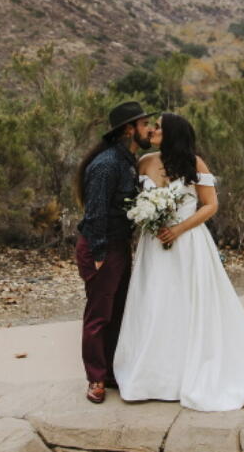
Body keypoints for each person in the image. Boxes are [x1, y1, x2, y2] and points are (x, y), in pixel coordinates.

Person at [112, 112, 244, 411]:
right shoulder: (145, 162)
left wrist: (177, 228)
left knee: (190, 304)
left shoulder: (194, 163)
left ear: (173, 133)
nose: (152, 131)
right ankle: (152, 377)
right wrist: (148, 217)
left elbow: (210, 205)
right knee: (155, 302)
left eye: (159, 127)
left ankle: (191, 373)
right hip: (154, 245)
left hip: (187, 243)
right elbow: (136, 200)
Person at [75, 100, 156, 405]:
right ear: (128, 129)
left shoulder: (127, 160)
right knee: (99, 314)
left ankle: (110, 372)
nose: (149, 129)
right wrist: (98, 253)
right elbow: (94, 211)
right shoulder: (107, 164)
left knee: (119, 310)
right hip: (102, 246)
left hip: (119, 245)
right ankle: (95, 378)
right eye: (144, 124)